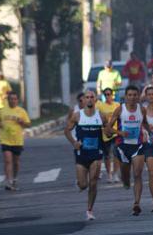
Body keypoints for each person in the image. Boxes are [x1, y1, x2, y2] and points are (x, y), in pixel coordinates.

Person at [106, 86, 150, 216]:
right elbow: (108, 128)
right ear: (125, 96)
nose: (132, 97)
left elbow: (146, 123)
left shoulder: (142, 110)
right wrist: (120, 132)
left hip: (138, 146)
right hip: (123, 146)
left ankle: (136, 203)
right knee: (126, 176)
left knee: (137, 174)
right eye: (129, 95)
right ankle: (125, 180)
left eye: (135, 95)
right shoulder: (120, 109)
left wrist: (152, 133)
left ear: (138, 97)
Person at [65, 90, 108, 220]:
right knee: (84, 185)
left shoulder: (101, 116)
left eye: (92, 97)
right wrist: (74, 142)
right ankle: (80, 184)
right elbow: (67, 130)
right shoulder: (77, 116)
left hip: (96, 153)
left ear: (96, 100)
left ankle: (89, 210)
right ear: (83, 100)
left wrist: (111, 133)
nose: (89, 99)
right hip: (81, 154)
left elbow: (108, 130)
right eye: (87, 97)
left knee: (93, 183)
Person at [0, 92, 31, 191]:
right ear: (8, 100)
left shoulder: (21, 111)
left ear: (17, 100)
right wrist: (0, 124)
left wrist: (22, 122)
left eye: (15, 99)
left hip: (17, 140)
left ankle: (14, 178)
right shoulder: (3, 111)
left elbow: (28, 125)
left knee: (16, 162)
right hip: (5, 140)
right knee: (7, 160)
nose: (13, 101)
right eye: (11, 99)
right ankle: (8, 181)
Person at [96, 88, 121, 183]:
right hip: (105, 134)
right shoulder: (101, 107)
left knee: (116, 154)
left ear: (112, 95)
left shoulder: (117, 105)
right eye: (105, 95)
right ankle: (109, 174)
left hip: (115, 133)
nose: (107, 96)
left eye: (109, 94)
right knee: (107, 156)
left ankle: (115, 174)